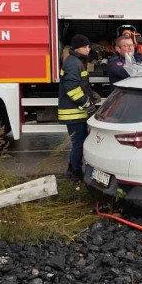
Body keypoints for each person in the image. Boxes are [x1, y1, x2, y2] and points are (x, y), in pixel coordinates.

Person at [58, 34, 100, 181]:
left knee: (79, 143)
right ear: (78, 48)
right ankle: (75, 174)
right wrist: (86, 103)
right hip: (74, 112)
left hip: (75, 111)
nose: (89, 49)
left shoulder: (76, 61)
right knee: (79, 144)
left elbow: (81, 85)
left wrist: (91, 93)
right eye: (86, 46)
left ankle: (72, 169)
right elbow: (71, 88)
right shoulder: (73, 63)